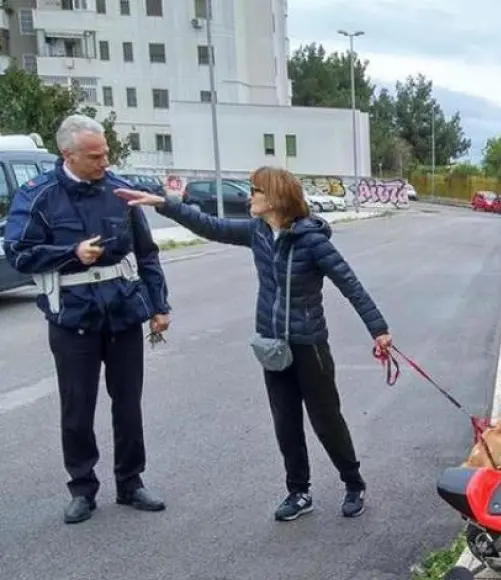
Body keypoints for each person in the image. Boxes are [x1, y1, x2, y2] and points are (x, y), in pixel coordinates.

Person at [113, 167, 391, 521]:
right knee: (285, 421)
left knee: (326, 420)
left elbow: (351, 285)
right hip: (272, 345)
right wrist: (164, 205)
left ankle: (353, 483)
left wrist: (378, 329)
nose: (250, 196)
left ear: (275, 197)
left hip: (310, 347)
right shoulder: (258, 232)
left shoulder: (312, 241)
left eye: (255, 190)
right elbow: (210, 226)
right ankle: (298, 492)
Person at [2, 114, 171, 524]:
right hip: (73, 317)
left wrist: (159, 306)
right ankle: (82, 487)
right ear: (68, 155)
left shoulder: (119, 192)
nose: (105, 162)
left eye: (106, 153)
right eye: (96, 156)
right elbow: (18, 251)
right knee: (77, 408)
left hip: (123, 311)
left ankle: (131, 482)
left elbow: (146, 254)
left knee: (128, 404)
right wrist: (70, 254)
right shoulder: (38, 196)